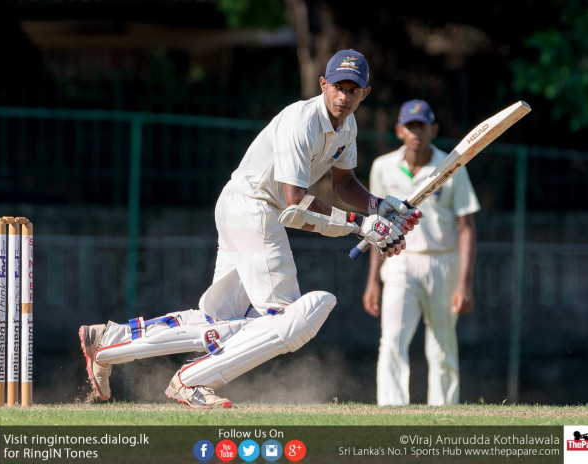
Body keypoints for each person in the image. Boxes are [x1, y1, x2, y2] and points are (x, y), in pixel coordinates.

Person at [79, 49, 422, 409]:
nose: (344, 96)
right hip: (253, 207)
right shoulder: (301, 122)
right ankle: (192, 380)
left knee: (221, 320)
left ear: (364, 94)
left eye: (353, 90)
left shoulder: (346, 126)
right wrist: (360, 225)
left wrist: (378, 207)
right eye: (338, 86)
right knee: (286, 319)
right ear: (324, 84)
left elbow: (344, 183)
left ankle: (110, 339)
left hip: (248, 207)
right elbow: (296, 204)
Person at [362, 99, 480, 406]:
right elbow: (379, 227)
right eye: (410, 126)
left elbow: (467, 226)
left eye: (422, 126)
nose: (416, 132)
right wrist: (372, 280)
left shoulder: (452, 165)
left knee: (441, 346)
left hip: (443, 261)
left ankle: (444, 414)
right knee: (392, 340)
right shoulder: (383, 167)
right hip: (398, 263)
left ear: (433, 129)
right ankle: (391, 411)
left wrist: (465, 284)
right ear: (400, 130)